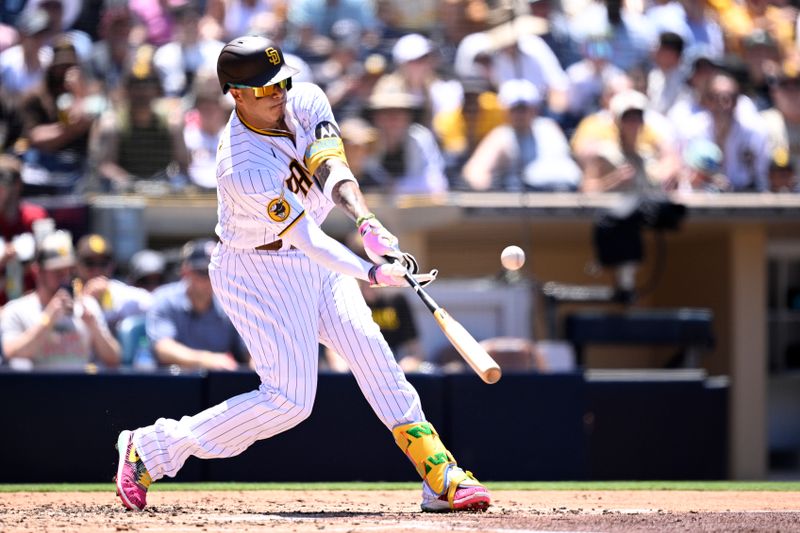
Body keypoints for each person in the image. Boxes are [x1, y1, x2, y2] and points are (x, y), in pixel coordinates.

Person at [114, 35, 490, 514]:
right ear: (235, 93)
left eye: (281, 82)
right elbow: (307, 239)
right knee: (290, 401)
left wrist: (366, 221)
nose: (279, 93)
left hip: (316, 262)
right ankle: (152, 448)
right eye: (265, 88)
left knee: (372, 352)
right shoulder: (240, 167)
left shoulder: (306, 98)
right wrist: (371, 271)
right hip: (257, 271)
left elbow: (331, 166)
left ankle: (440, 474)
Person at [0, 230, 121, 369]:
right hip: (36, 389)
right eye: (58, 271)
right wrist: (47, 320)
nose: (65, 277)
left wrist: (94, 328)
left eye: (69, 271)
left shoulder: (88, 306)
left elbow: (114, 358)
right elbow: (11, 352)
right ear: (38, 271)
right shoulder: (17, 310)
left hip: (80, 388)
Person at [145, 238, 248, 371]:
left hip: (220, 384)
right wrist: (206, 359)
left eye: (216, 272)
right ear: (185, 270)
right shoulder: (165, 299)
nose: (211, 279)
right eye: (204, 272)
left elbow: (248, 352)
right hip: (174, 382)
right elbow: (163, 348)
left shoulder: (231, 304)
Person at [462, 78, 580, 191]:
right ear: (506, 111)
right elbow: (474, 171)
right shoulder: (502, 136)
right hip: (523, 204)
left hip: (564, 198)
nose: (520, 114)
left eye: (524, 108)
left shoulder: (548, 127)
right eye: (515, 109)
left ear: (534, 108)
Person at [74, 234, 153, 335]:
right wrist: (86, 298)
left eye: (103, 263)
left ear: (112, 265)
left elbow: (151, 303)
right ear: (77, 265)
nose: (97, 269)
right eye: (90, 263)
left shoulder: (116, 291)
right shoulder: (69, 290)